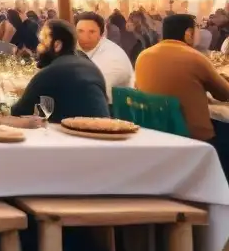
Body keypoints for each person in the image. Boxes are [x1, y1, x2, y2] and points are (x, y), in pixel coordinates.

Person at [136, 14, 229, 169]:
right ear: (188, 33)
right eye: (197, 29)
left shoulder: (143, 56)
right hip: (192, 136)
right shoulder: (195, 58)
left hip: (155, 129)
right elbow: (224, 94)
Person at [11, 19, 109, 122]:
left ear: (57, 45)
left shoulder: (50, 73)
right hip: (105, 131)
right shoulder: (91, 66)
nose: (38, 47)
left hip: (78, 136)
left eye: (42, 42)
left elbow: (18, 112)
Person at [74, 12, 134, 102]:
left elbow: (94, 94)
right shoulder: (76, 48)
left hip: (113, 111)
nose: (85, 37)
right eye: (80, 31)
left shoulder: (113, 57)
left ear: (101, 35)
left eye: (92, 32)